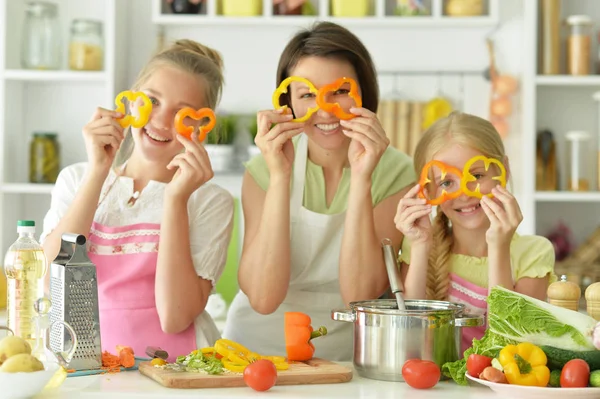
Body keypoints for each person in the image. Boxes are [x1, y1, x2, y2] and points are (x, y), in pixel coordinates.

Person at [223, 22, 415, 361]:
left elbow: (360, 297)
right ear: (288, 103)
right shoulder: (262, 170)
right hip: (255, 355)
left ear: (364, 95)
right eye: (308, 94)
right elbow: (264, 298)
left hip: (353, 356)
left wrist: (361, 177)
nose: (325, 110)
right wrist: (280, 177)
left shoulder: (397, 173)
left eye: (339, 92)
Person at [40, 40, 234, 361]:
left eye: (181, 112)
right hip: (83, 366)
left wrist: (175, 200)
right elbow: (48, 282)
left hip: (176, 372)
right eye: (152, 101)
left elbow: (175, 317)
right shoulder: (76, 179)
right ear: (130, 102)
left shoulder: (210, 201)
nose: (160, 120)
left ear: (201, 126)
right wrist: (97, 173)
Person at [394, 111, 556, 353]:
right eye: (446, 183)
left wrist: (499, 247)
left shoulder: (533, 254)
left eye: (477, 175)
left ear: (503, 170)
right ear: (427, 191)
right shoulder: (418, 245)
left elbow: (510, 344)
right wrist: (419, 248)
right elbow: (408, 341)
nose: (464, 193)